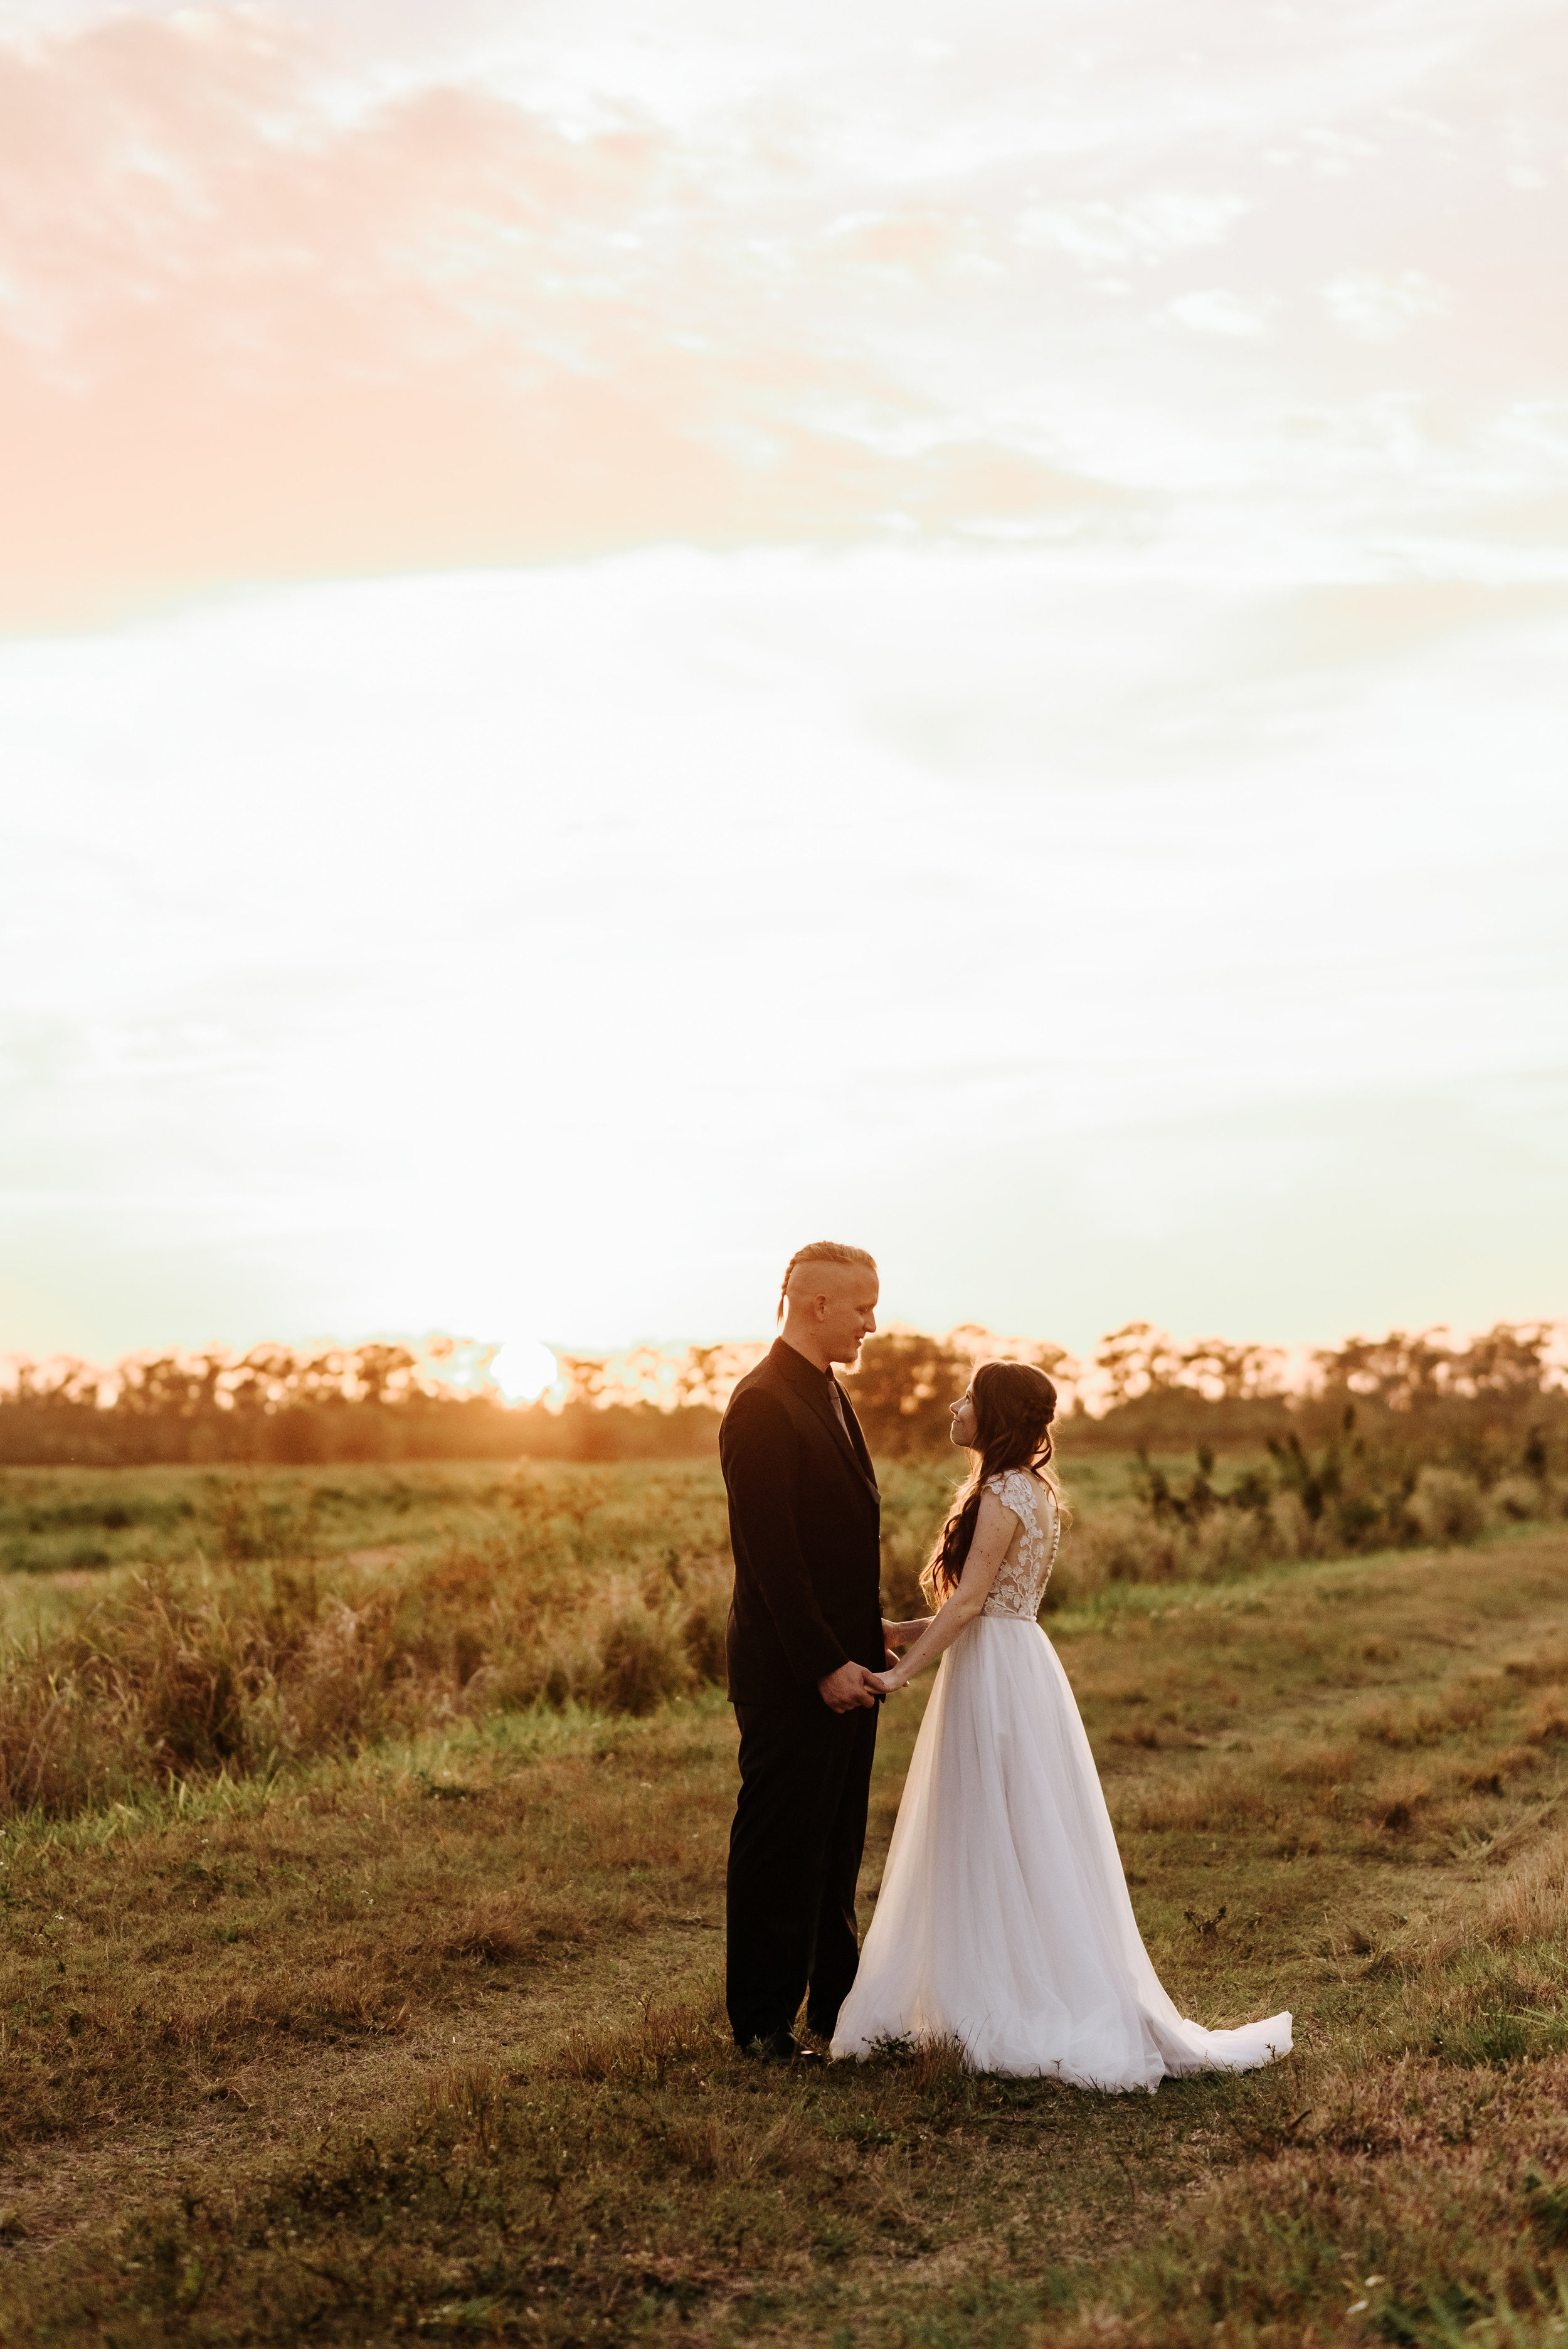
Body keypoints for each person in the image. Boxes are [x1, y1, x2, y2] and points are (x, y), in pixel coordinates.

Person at [831, 1359, 1292, 2087]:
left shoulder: (1004, 1490)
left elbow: (973, 1601)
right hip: (1012, 1660)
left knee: (995, 1821)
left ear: (996, 1415)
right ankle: (1006, 1977)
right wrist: (901, 1629)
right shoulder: (1031, 1488)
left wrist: (899, 1671)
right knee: (1013, 1824)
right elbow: (992, 1606)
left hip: (997, 1674)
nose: (954, 1406)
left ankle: (1008, 1995)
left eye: (967, 1398)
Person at [719, 1242, 928, 2064]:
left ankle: (839, 2015)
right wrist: (821, 1662)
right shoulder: (763, 1404)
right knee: (780, 1848)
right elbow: (772, 1556)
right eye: (863, 1307)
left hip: (848, 1664)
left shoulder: (828, 1393)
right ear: (815, 1305)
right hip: (791, 1676)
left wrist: (865, 1633)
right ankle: (762, 2027)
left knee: (836, 1848)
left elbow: (830, 1542)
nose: (873, 1323)